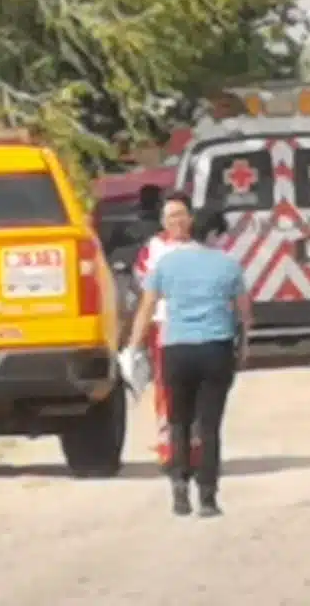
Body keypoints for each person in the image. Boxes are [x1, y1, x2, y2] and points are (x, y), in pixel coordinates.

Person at [125, 208, 253, 518]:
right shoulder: (229, 266)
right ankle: (207, 498)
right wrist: (244, 347)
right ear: (213, 235)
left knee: (178, 422)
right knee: (208, 426)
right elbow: (244, 314)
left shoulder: (166, 264)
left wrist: (134, 346)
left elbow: (146, 309)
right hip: (215, 348)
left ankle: (179, 490)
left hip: (176, 350)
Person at [131, 191, 197, 469]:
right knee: (167, 389)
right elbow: (147, 290)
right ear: (162, 221)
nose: (177, 221)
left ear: (191, 218)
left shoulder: (202, 249)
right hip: (165, 327)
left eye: (181, 215)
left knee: (195, 390)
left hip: (198, 326)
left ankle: (195, 447)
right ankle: (169, 447)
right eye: (171, 216)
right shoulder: (153, 249)